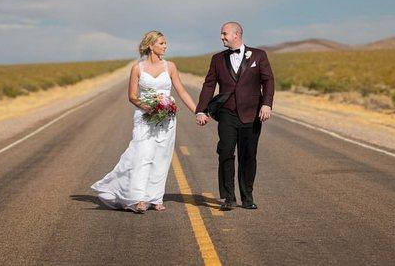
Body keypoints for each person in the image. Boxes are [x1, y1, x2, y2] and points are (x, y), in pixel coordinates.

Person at [91, 31, 197, 213]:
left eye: (165, 43)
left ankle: (155, 198)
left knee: (161, 157)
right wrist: (148, 107)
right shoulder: (137, 68)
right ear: (151, 45)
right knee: (142, 155)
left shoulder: (170, 66)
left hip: (166, 119)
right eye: (162, 43)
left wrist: (198, 111)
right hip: (144, 118)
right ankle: (138, 198)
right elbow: (132, 96)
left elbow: (182, 92)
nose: (165, 46)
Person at [196, 22, 275, 211]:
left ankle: (247, 198)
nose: (222, 37)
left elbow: (268, 80)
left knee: (248, 156)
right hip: (227, 113)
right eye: (222, 34)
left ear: (236, 34)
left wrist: (266, 104)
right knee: (225, 153)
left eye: (224, 34)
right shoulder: (217, 59)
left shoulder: (258, 55)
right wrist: (201, 110)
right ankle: (229, 197)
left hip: (252, 113)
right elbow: (209, 85)